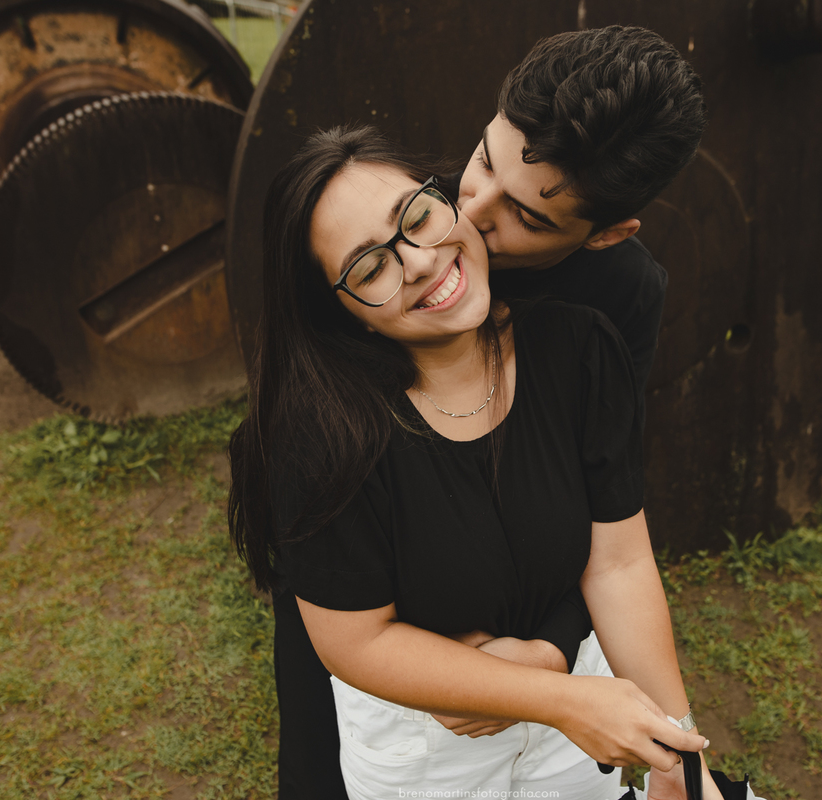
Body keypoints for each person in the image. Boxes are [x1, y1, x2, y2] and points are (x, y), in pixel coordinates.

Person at [261, 25, 709, 800]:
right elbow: (349, 630)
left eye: (529, 217)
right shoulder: (410, 214)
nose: (470, 211)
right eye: (479, 162)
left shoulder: (610, 310)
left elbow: (608, 528)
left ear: (603, 235)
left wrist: (548, 657)